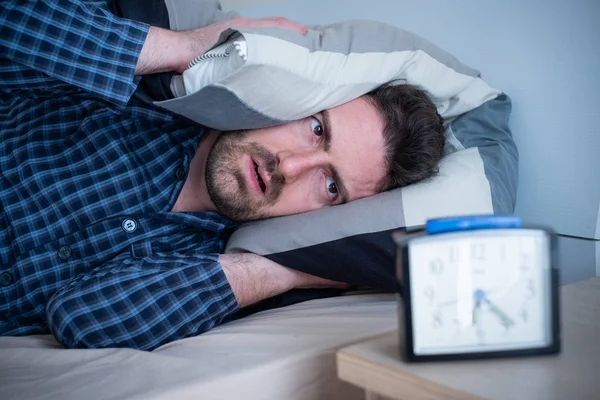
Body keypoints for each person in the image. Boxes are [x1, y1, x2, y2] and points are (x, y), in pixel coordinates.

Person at [0, 0, 445, 350]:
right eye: (316, 129)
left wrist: (283, 271)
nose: (289, 167)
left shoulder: (212, 270)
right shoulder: (134, 98)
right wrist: (183, 48)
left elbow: (80, 320)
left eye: (331, 187)